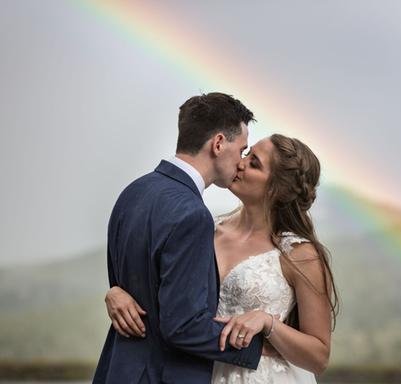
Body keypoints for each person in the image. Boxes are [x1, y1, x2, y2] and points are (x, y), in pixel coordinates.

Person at [106, 134, 339, 383]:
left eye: (254, 163)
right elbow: (166, 295)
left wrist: (268, 323)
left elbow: (319, 356)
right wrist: (117, 291)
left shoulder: (299, 254)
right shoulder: (206, 230)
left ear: (277, 189)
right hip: (196, 371)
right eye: (247, 153)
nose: (240, 162)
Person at [93, 93, 267, 384]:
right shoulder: (193, 216)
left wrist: (113, 291)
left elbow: (126, 284)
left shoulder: (133, 192)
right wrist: (261, 348)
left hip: (118, 371)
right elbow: (183, 326)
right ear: (219, 143)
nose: (241, 162)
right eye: (242, 149)